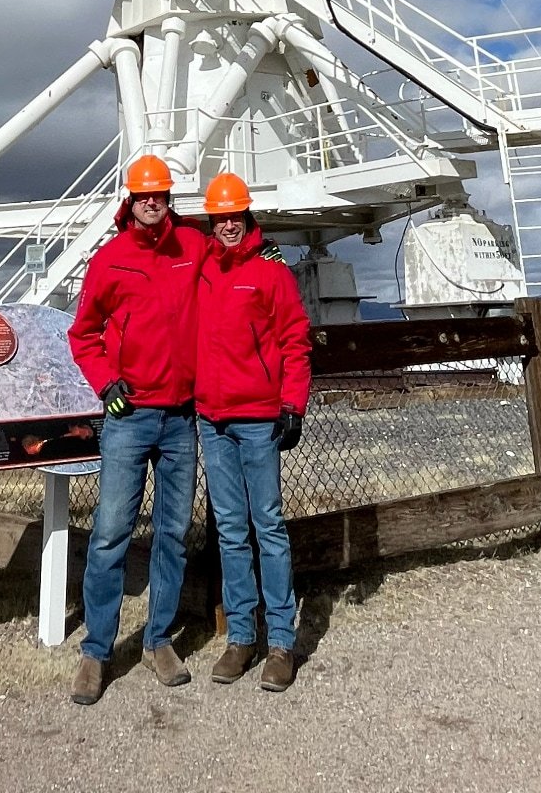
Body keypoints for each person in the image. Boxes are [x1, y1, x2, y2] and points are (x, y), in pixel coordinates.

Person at [66, 151, 206, 706]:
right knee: (109, 536)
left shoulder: (190, 248)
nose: (153, 202)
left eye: (161, 194)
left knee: (172, 534)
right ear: (131, 200)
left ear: (169, 199)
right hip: (129, 416)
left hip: (181, 416)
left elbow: (231, 258)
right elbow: (84, 335)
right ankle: (97, 650)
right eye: (145, 195)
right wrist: (106, 384)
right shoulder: (110, 260)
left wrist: (265, 253)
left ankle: (157, 640)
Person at [195, 171, 312, 692]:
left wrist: (293, 404)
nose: (228, 226)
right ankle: (241, 636)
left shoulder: (271, 274)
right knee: (230, 531)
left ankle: (282, 640)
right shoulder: (201, 268)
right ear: (212, 222)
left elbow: (294, 339)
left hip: (258, 417)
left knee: (268, 527)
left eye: (235, 216)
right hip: (212, 419)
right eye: (219, 218)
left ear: (248, 217)